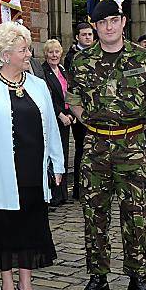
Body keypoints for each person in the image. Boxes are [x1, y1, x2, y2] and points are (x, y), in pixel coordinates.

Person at [68, 0, 146, 290]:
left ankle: (138, 282)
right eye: (102, 23)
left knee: (135, 215)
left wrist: (138, 127)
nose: (109, 27)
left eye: (114, 20)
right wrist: (94, 125)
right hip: (96, 149)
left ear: (123, 22)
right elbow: (73, 102)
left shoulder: (143, 57)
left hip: (132, 149)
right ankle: (98, 280)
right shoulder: (82, 62)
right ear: (94, 26)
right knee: (94, 216)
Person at [0, 21, 64, 290]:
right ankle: (7, 285)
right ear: (5, 54)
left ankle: (27, 283)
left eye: (28, 48)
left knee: (30, 227)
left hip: (32, 172)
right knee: (3, 229)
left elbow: (51, 128)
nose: (28, 54)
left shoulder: (38, 85)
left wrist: (57, 164)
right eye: (23, 49)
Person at [42, 39, 73, 207]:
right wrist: (61, 114)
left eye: (57, 52)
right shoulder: (44, 72)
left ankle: (62, 194)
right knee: (53, 154)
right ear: (46, 54)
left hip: (66, 118)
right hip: (54, 118)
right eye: (50, 52)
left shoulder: (62, 69)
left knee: (63, 153)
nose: (54, 55)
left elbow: (68, 92)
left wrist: (71, 113)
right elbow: (48, 98)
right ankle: (53, 193)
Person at [64, 22, 94, 198]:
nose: (88, 37)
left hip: (96, 109)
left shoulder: (98, 53)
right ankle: (78, 187)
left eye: (90, 34)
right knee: (82, 149)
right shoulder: (72, 57)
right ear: (77, 37)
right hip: (80, 109)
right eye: (84, 35)